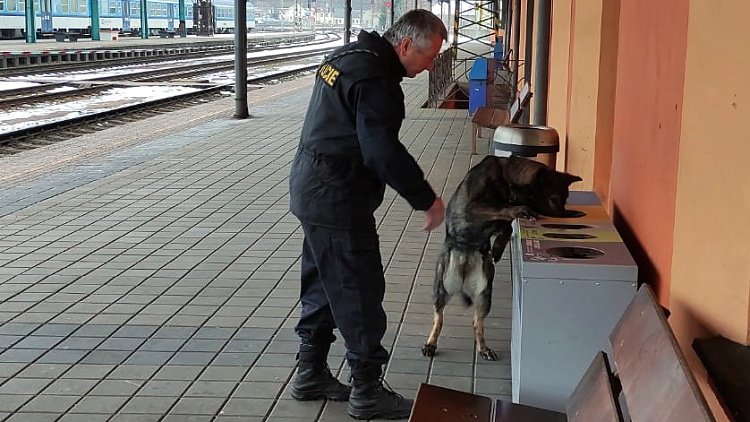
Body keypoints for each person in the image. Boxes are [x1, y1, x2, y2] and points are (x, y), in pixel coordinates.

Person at [288, 9, 448, 421]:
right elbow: (381, 152)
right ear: (406, 45)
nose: (433, 64)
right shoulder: (377, 81)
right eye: (430, 56)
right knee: (358, 290)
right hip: (338, 197)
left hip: (313, 187)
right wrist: (426, 199)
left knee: (324, 281)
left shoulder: (347, 56)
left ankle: (310, 373)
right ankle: (367, 392)